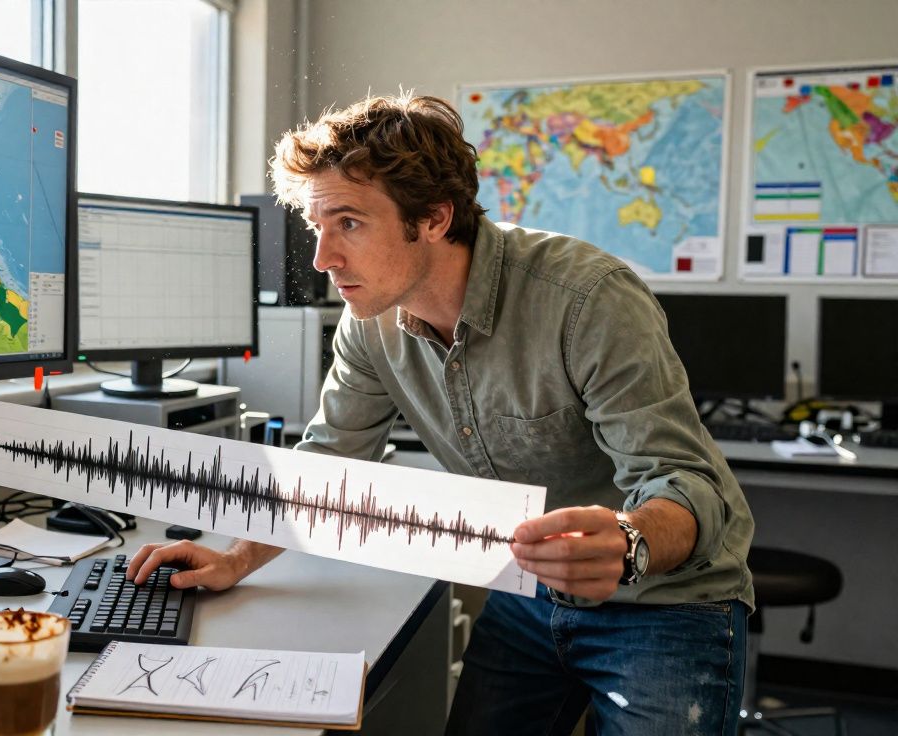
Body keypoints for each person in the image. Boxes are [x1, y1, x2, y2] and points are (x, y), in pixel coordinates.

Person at [126, 93, 754, 735]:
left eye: (347, 223)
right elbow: (328, 462)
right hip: (531, 594)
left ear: (433, 217)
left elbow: (687, 484)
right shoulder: (370, 323)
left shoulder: (586, 301)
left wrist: (629, 541)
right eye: (317, 227)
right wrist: (235, 558)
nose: (322, 258)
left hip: (666, 602)